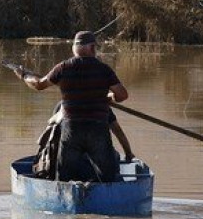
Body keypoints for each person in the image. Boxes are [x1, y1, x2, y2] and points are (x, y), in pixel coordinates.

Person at [18, 30, 129, 181]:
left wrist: (25, 75)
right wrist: (109, 96)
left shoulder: (63, 68)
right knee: (108, 179)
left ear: (74, 48)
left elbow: (38, 84)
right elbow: (122, 95)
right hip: (97, 130)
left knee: (63, 178)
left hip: (71, 131)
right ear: (92, 48)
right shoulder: (104, 70)